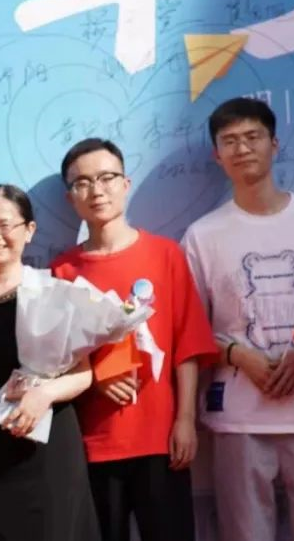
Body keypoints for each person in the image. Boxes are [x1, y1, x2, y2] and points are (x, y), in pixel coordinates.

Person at [182, 97, 294, 541]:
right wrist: (240, 356)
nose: (242, 149)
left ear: (274, 144)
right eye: (230, 141)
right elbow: (189, 329)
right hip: (238, 422)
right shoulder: (202, 235)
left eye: (252, 137)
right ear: (217, 155)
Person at [51, 138, 216, 541]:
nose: (97, 190)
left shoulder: (166, 255)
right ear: (71, 198)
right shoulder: (63, 271)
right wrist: (98, 376)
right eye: (83, 182)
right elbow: (56, 358)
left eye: (106, 177)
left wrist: (185, 420)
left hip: (161, 440)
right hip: (93, 444)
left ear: (125, 184)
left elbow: (187, 345)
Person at [0, 184, 99, 541]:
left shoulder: (50, 290)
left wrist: (44, 394)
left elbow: (83, 374)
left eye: (5, 225)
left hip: (46, 451)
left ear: (29, 230)